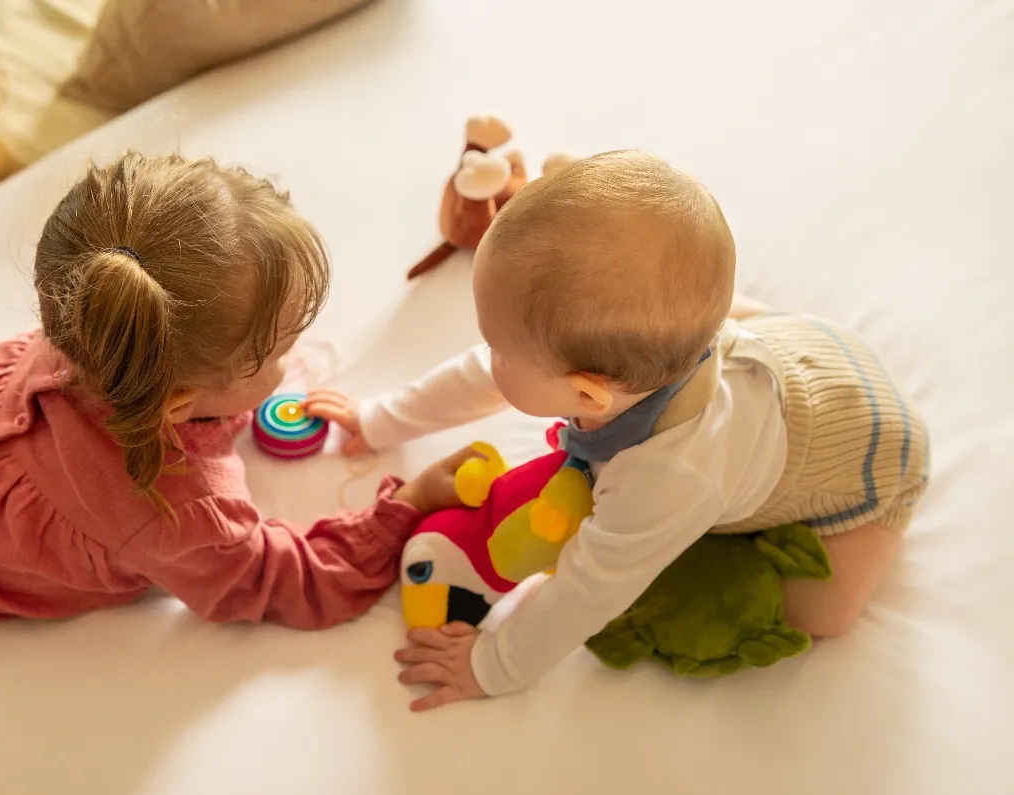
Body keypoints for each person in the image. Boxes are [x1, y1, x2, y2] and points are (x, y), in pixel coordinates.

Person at [0, 152, 470, 684]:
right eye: (278, 352)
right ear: (180, 405)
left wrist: (238, 382)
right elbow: (281, 583)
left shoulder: (96, 326)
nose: (292, 362)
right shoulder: (179, 513)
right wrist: (405, 508)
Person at [307, 150, 930, 711]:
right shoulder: (622, 363)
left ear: (586, 396)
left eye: (497, 347)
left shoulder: (663, 475)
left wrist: (490, 663)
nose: (484, 354)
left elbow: (587, 590)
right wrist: (380, 418)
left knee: (826, 612)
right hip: (811, 348)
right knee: (682, 311)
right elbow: (482, 377)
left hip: (870, 460)